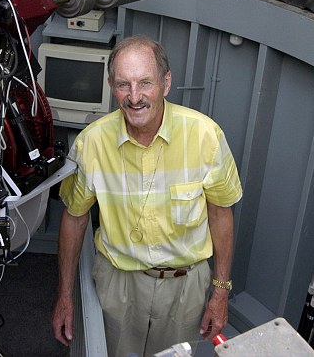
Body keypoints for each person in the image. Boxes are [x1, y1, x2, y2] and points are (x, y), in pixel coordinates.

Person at [51, 35, 242, 357]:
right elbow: (74, 218)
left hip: (186, 288)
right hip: (118, 284)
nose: (135, 97)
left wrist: (220, 292)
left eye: (145, 83)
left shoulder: (205, 136)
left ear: (166, 83)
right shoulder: (91, 143)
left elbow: (221, 214)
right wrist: (65, 296)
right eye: (123, 84)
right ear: (111, 86)